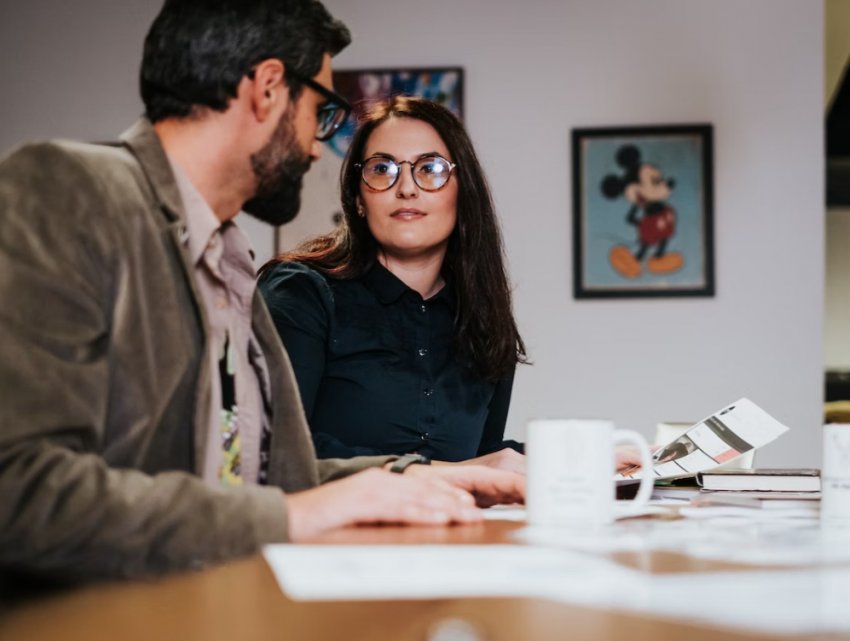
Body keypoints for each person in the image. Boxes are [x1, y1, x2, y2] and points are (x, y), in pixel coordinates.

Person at [0, 0, 525, 589]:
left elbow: (260, 476)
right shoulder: (67, 188)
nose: (312, 147)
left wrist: (416, 476)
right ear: (268, 90)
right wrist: (295, 514)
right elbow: (17, 488)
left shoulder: (229, 258)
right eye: (320, 113)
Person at [259, 97, 528, 473]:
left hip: (454, 532)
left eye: (430, 168)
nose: (406, 188)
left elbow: (483, 454)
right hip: (325, 530)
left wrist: (586, 458)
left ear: (462, 193)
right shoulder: (301, 292)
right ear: (358, 198)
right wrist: (444, 475)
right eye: (382, 168)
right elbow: (275, 448)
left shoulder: (482, 317)